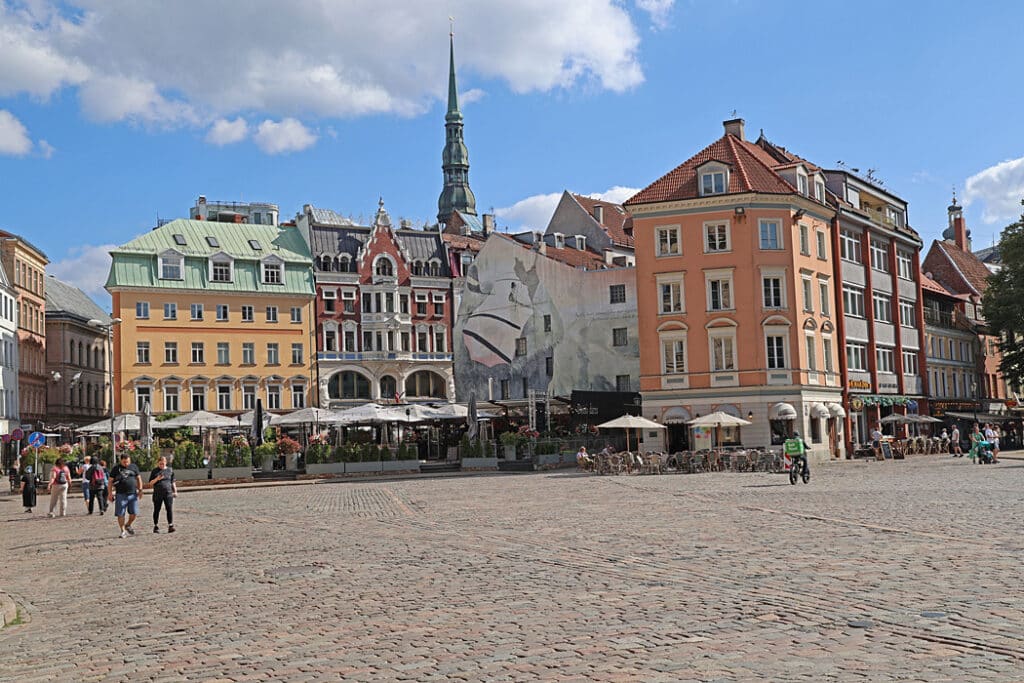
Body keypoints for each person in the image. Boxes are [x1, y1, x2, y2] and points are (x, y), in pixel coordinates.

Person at [108, 453, 143, 538]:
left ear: (129, 460)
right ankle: (123, 531)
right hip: (121, 494)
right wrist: (110, 493)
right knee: (121, 513)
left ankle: (128, 524)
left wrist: (140, 490)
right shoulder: (116, 469)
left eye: (127, 462)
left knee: (134, 513)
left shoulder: (134, 467)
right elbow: (110, 481)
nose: (126, 464)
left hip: (133, 494)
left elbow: (139, 478)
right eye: (124, 462)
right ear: (121, 461)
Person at [147, 455, 177, 533]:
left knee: (169, 509)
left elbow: (173, 482)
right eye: (160, 464)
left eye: (163, 464)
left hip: (168, 493)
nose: (161, 465)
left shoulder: (170, 470)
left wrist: (175, 491)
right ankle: (156, 526)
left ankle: (170, 525)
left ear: (165, 463)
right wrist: (157, 479)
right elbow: (150, 483)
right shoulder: (155, 471)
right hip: (157, 493)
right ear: (158, 463)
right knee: (157, 509)